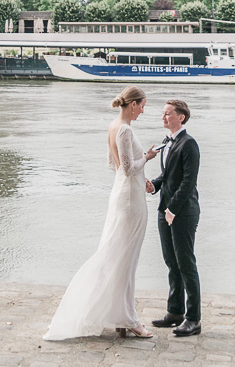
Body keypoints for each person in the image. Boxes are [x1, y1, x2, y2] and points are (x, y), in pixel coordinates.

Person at [43, 86, 159, 340]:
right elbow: (128, 168)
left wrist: (142, 177)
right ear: (132, 104)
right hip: (130, 200)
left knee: (118, 256)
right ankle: (128, 319)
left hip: (121, 193)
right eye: (142, 106)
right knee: (126, 260)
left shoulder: (112, 126)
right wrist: (148, 157)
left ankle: (119, 315)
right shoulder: (126, 129)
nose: (143, 111)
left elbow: (113, 165)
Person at [147, 99, 201, 337]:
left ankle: (193, 318)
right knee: (171, 262)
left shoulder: (189, 144)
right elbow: (167, 174)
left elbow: (189, 182)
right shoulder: (166, 142)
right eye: (163, 113)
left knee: (186, 264)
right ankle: (175, 311)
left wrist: (173, 209)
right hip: (164, 209)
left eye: (168, 114)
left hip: (183, 212)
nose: (163, 117)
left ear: (181, 117)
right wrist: (154, 185)